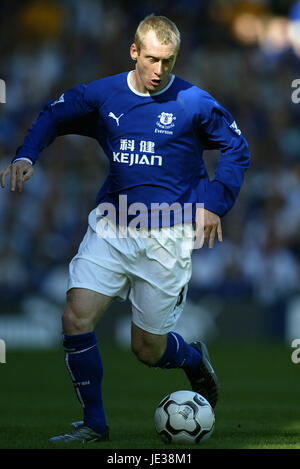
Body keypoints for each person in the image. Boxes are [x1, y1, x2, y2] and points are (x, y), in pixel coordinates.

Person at [0, 14, 250, 443]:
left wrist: (214, 204)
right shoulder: (104, 94)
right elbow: (54, 115)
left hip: (167, 238)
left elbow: (236, 146)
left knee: (146, 350)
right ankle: (94, 424)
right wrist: (26, 156)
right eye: (152, 59)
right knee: (76, 317)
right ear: (134, 51)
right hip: (113, 228)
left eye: (168, 62)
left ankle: (191, 360)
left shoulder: (195, 103)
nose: (159, 71)